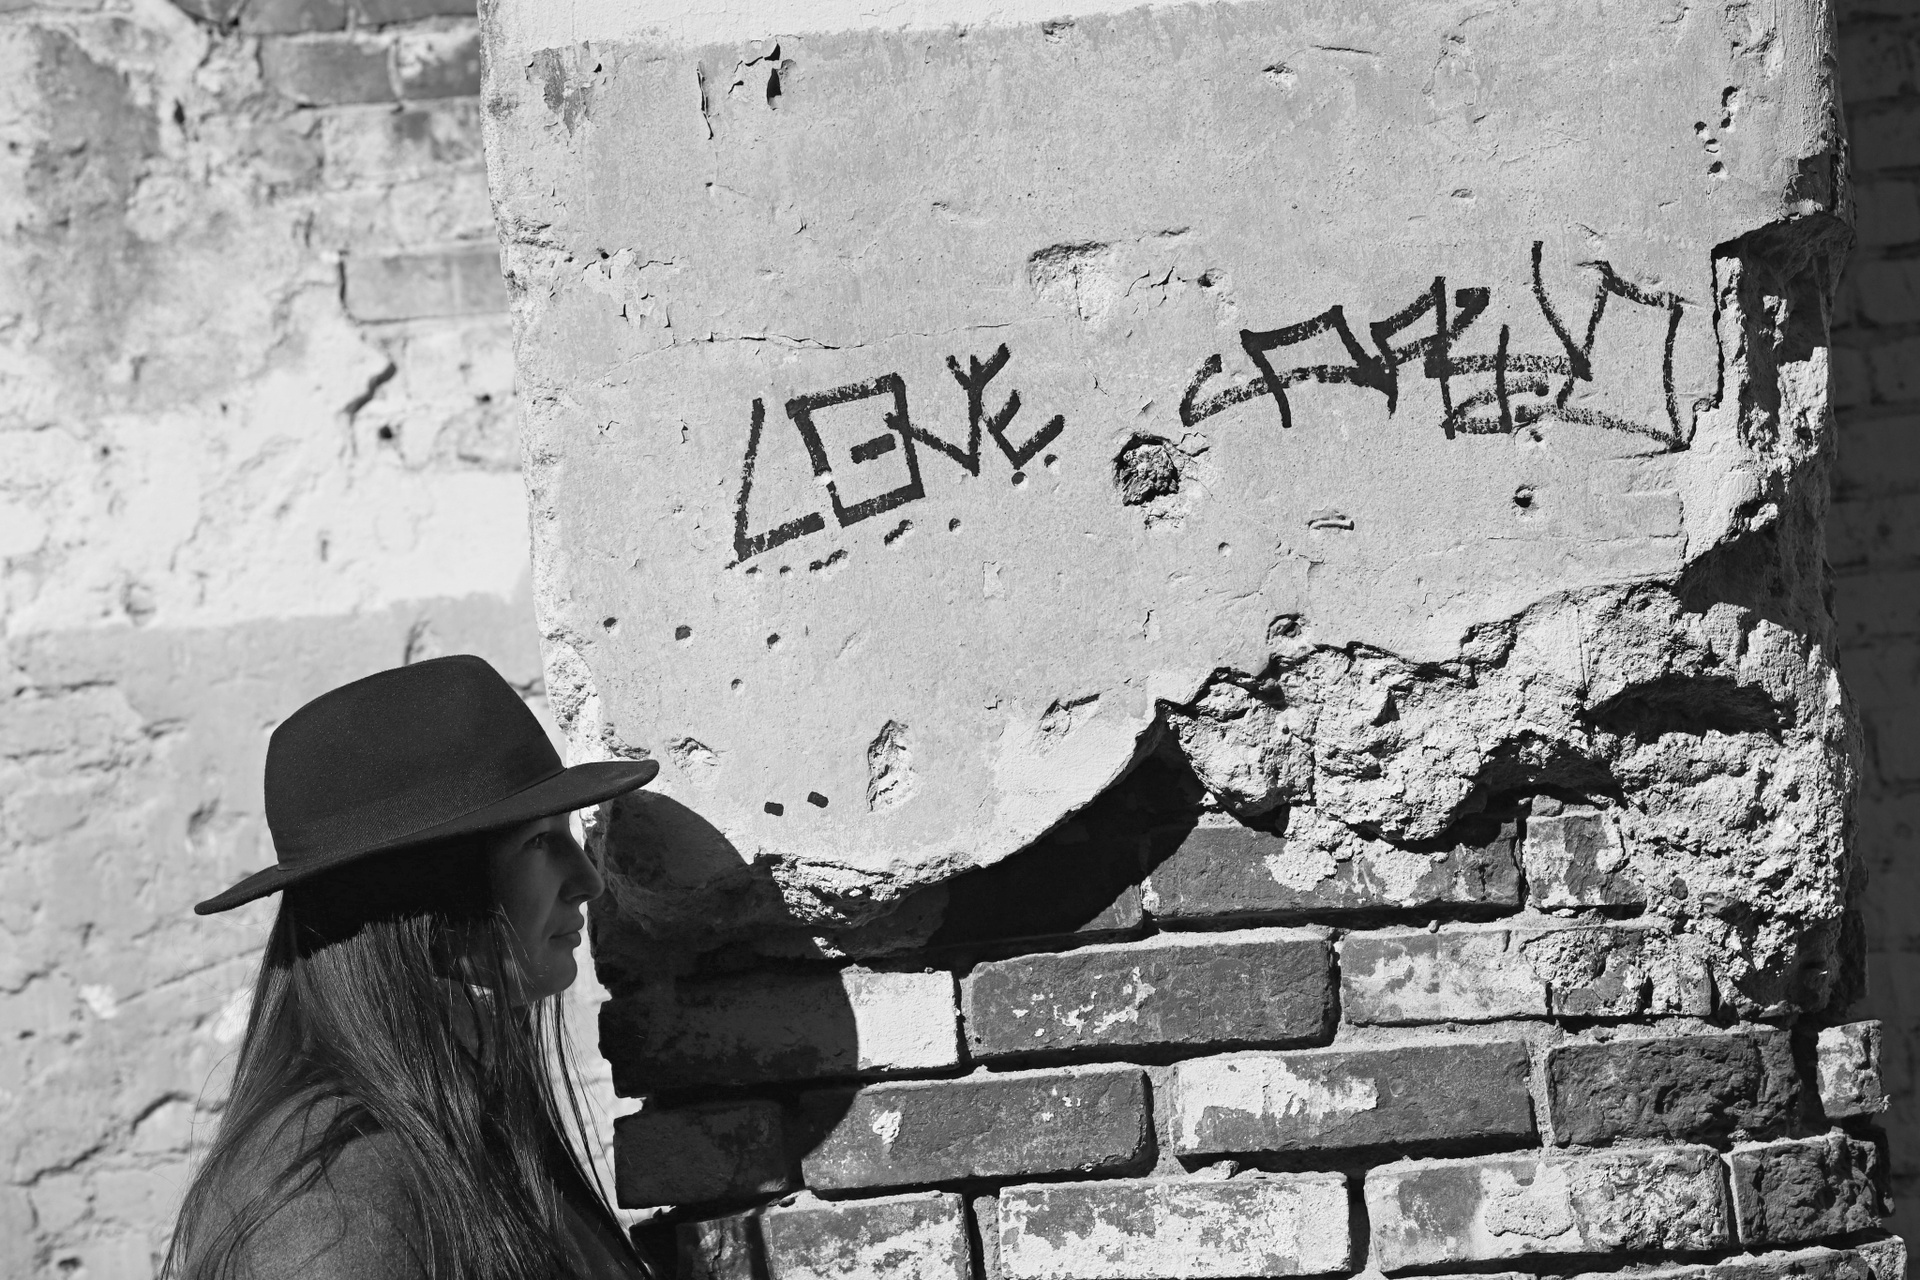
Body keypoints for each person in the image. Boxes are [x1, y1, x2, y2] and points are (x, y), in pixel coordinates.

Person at [163, 654, 660, 1280]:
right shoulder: (334, 1199)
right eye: (538, 842)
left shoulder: (449, 1120)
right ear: (420, 895)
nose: (587, 880)